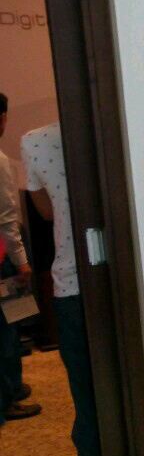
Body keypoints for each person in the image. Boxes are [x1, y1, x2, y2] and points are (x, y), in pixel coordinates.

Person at [22, 121, 110, 456]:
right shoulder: (115, 122)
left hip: (73, 285)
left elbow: (46, 213)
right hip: (127, 280)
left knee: (88, 404)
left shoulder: (34, 141)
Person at [0, 93, 42, 421]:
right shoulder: (0, 160)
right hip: (1, 253)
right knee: (6, 324)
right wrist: (21, 261)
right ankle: (8, 395)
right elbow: (6, 218)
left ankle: (12, 386)